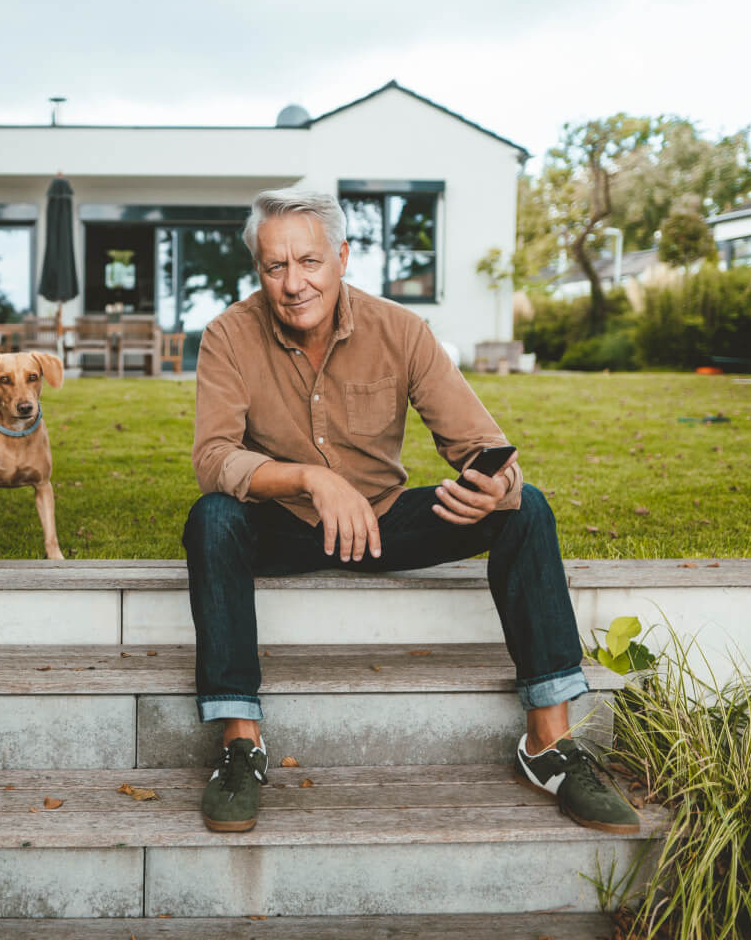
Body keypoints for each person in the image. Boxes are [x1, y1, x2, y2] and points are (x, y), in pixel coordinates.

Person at [184, 187, 640, 836]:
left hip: (382, 522)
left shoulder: (401, 330)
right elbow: (214, 458)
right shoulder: (228, 335)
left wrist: (495, 484)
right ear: (258, 270)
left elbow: (481, 444)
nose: (293, 283)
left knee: (525, 507)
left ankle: (549, 744)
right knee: (211, 517)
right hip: (282, 524)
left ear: (342, 258)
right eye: (275, 266)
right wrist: (313, 479)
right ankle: (240, 743)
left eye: (309, 262)